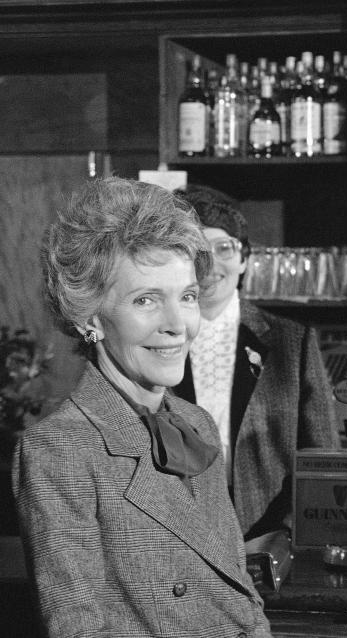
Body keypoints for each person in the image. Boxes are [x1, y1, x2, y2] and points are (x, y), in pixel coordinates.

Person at [13, 177, 270, 637]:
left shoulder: (196, 424)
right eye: (146, 300)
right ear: (88, 317)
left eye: (187, 296)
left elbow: (241, 600)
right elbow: (78, 630)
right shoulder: (58, 449)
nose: (177, 325)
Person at [173, 183, 339, 540]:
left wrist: (286, 531)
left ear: (245, 258)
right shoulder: (156, 339)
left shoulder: (291, 341)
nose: (211, 264)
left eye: (224, 248)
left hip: (265, 537)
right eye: (197, 251)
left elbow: (321, 457)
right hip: (177, 537)